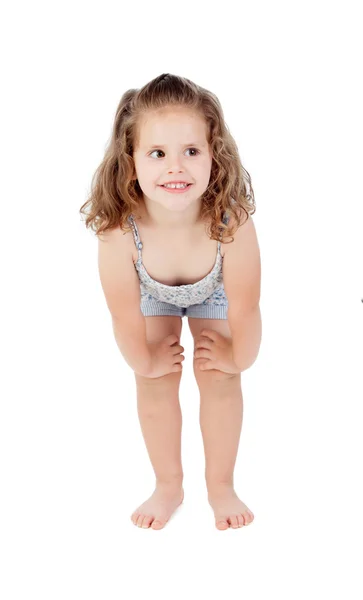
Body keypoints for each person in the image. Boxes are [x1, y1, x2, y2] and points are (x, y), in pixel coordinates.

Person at [79, 73, 262, 531]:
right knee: (155, 384)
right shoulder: (120, 228)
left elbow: (246, 306)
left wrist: (239, 357)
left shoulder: (230, 221)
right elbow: (122, 311)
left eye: (191, 152)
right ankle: (168, 484)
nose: (175, 168)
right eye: (158, 154)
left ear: (214, 157)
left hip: (214, 289)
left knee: (220, 378)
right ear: (131, 160)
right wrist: (144, 361)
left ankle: (220, 485)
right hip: (151, 292)